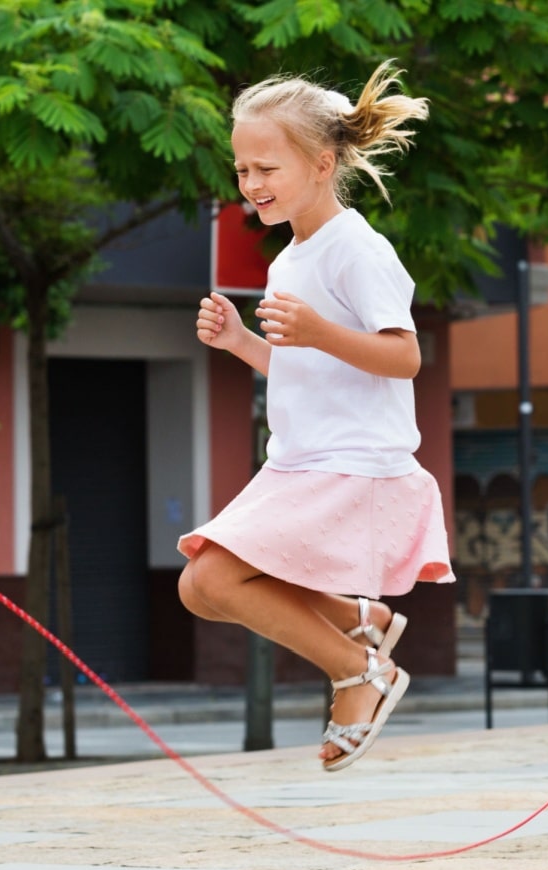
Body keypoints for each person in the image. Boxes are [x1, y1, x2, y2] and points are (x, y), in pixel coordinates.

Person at [178, 61, 453, 772]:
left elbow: (404, 357)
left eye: (267, 166)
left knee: (210, 579)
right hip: (302, 457)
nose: (251, 183)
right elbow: (311, 370)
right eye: (242, 169)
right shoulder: (291, 258)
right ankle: (365, 625)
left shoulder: (357, 248)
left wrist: (318, 331)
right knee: (201, 588)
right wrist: (242, 343)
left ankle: (363, 670)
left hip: (350, 461)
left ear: (323, 163)